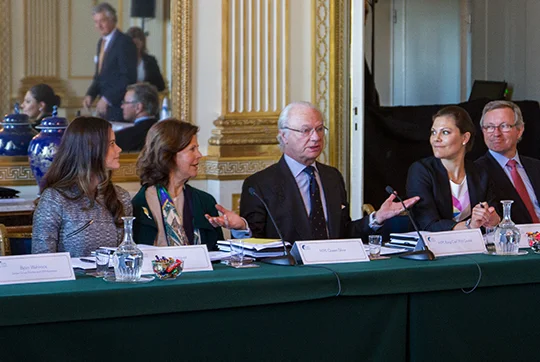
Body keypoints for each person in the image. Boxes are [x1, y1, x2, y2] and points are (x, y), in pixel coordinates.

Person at [239, 101, 419, 243]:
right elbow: (255, 242)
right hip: (289, 276)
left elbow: (343, 233)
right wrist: (242, 228)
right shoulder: (259, 185)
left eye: (319, 129)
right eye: (305, 131)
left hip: (335, 272)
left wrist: (376, 218)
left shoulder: (331, 177)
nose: (316, 138)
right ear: (284, 136)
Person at [132, 119, 249, 251]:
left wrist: (240, 229)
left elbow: (220, 255)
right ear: (168, 154)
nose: (199, 155)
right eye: (192, 149)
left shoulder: (205, 201)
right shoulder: (137, 205)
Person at [32, 117, 132, 257]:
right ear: (90, 149)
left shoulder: (122, 197)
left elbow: (127, 256)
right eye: (112, 143)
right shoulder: (54, 199)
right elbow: (42, 260)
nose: (119, 149)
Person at [406, 106, 499, 231]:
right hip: (434, 247)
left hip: (476, 244)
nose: (436, 139)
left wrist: (493, 219)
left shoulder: (480, 172)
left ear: (465, 138)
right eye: (433, 132)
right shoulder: (421, 170)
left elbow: (495, 215)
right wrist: (469, 226)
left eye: (445, 132)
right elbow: (428, 224)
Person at [475, 101, 540, 224]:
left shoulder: (536, 166)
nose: (496, 133)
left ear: (519, 130)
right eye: (489, 127)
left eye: (504, 126)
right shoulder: (477, 172)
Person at [83, 2, 137, 122]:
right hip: (105, 109)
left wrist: (107, 99)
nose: (98, 25)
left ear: (112, 20)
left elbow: (128, 77)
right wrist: (90, 94)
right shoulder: (101, 43)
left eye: (102, 21)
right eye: (96, 22)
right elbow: (99, 75)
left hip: (119, 107)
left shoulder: (124, 42)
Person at [115, 82, 159, 152]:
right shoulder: (164, 133)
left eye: (125, 102)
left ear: (138, 107)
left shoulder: (123, 137)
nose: (122, 106)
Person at [126, 26, 166, 92]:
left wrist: (146, 85)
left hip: (146, 98)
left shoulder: (150, 61)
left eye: (138, 44)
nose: (136, 47)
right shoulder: (123, 60)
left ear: (143, 43)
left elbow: (161, 86)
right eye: (133, 44)